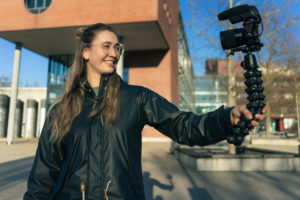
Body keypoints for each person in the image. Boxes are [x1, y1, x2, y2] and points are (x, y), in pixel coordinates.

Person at [23, 23, 266, 200]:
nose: (114, 53)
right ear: (85, 52)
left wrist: (226, 118)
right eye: (106, 46)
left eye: (117, 47)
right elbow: (43, 175)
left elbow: (184, 126)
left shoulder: (137, 98)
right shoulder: (61, 109)